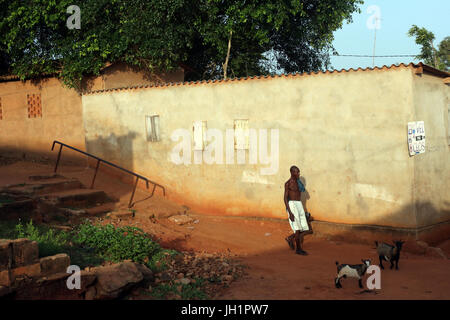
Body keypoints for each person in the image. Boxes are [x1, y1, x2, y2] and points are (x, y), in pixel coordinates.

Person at [284, 165, 310, 255]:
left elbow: (305, 194)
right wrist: (290, 212)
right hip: (292, 205)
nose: (298, 173)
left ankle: (290, 238)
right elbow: (285, 198)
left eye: (298, 172)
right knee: (297, 229)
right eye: (296, 172)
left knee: (305, 228)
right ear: (292, 172)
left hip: (299, 204)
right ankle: (298, 249)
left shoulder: (298, 183)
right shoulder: (288, 183)